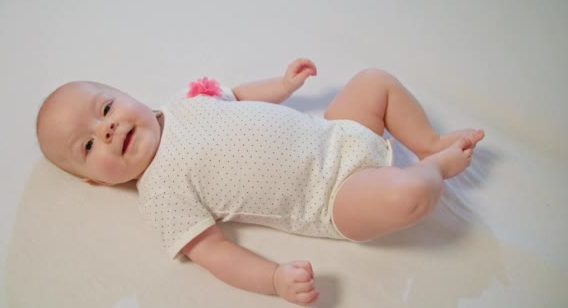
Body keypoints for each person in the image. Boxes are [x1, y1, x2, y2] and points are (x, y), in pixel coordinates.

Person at [36, 59, 484, 305]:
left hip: (337, 132)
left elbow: (240, 96)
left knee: (373, 80)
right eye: (88, 147)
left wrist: (284, 84)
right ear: (95, 182)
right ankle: (435, 170)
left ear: (126, 94)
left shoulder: (184, 102)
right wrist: (273, 279)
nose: (107, 130)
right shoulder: (160, 193)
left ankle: (428, 144)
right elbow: (214, 252)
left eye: (106, 109)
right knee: (408, 196)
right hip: (334, 197)